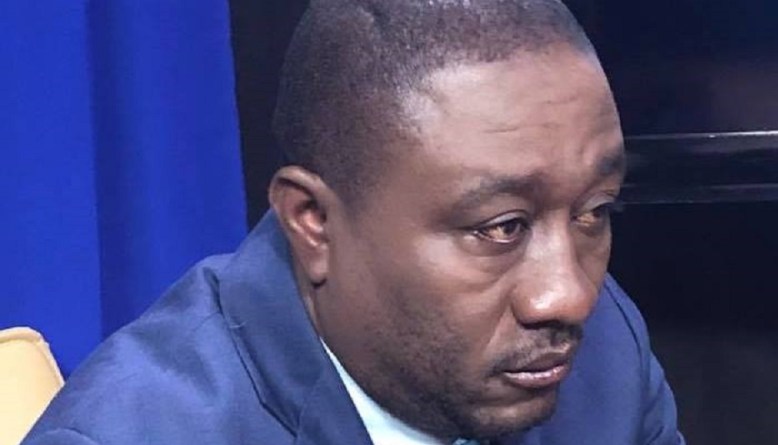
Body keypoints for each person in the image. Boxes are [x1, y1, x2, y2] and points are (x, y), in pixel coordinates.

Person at [24, 0, 684, 444]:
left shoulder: (605, 359)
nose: (569, 295)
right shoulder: (139, 432)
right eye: (501, 227)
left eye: (594, 211)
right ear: (313, 222)